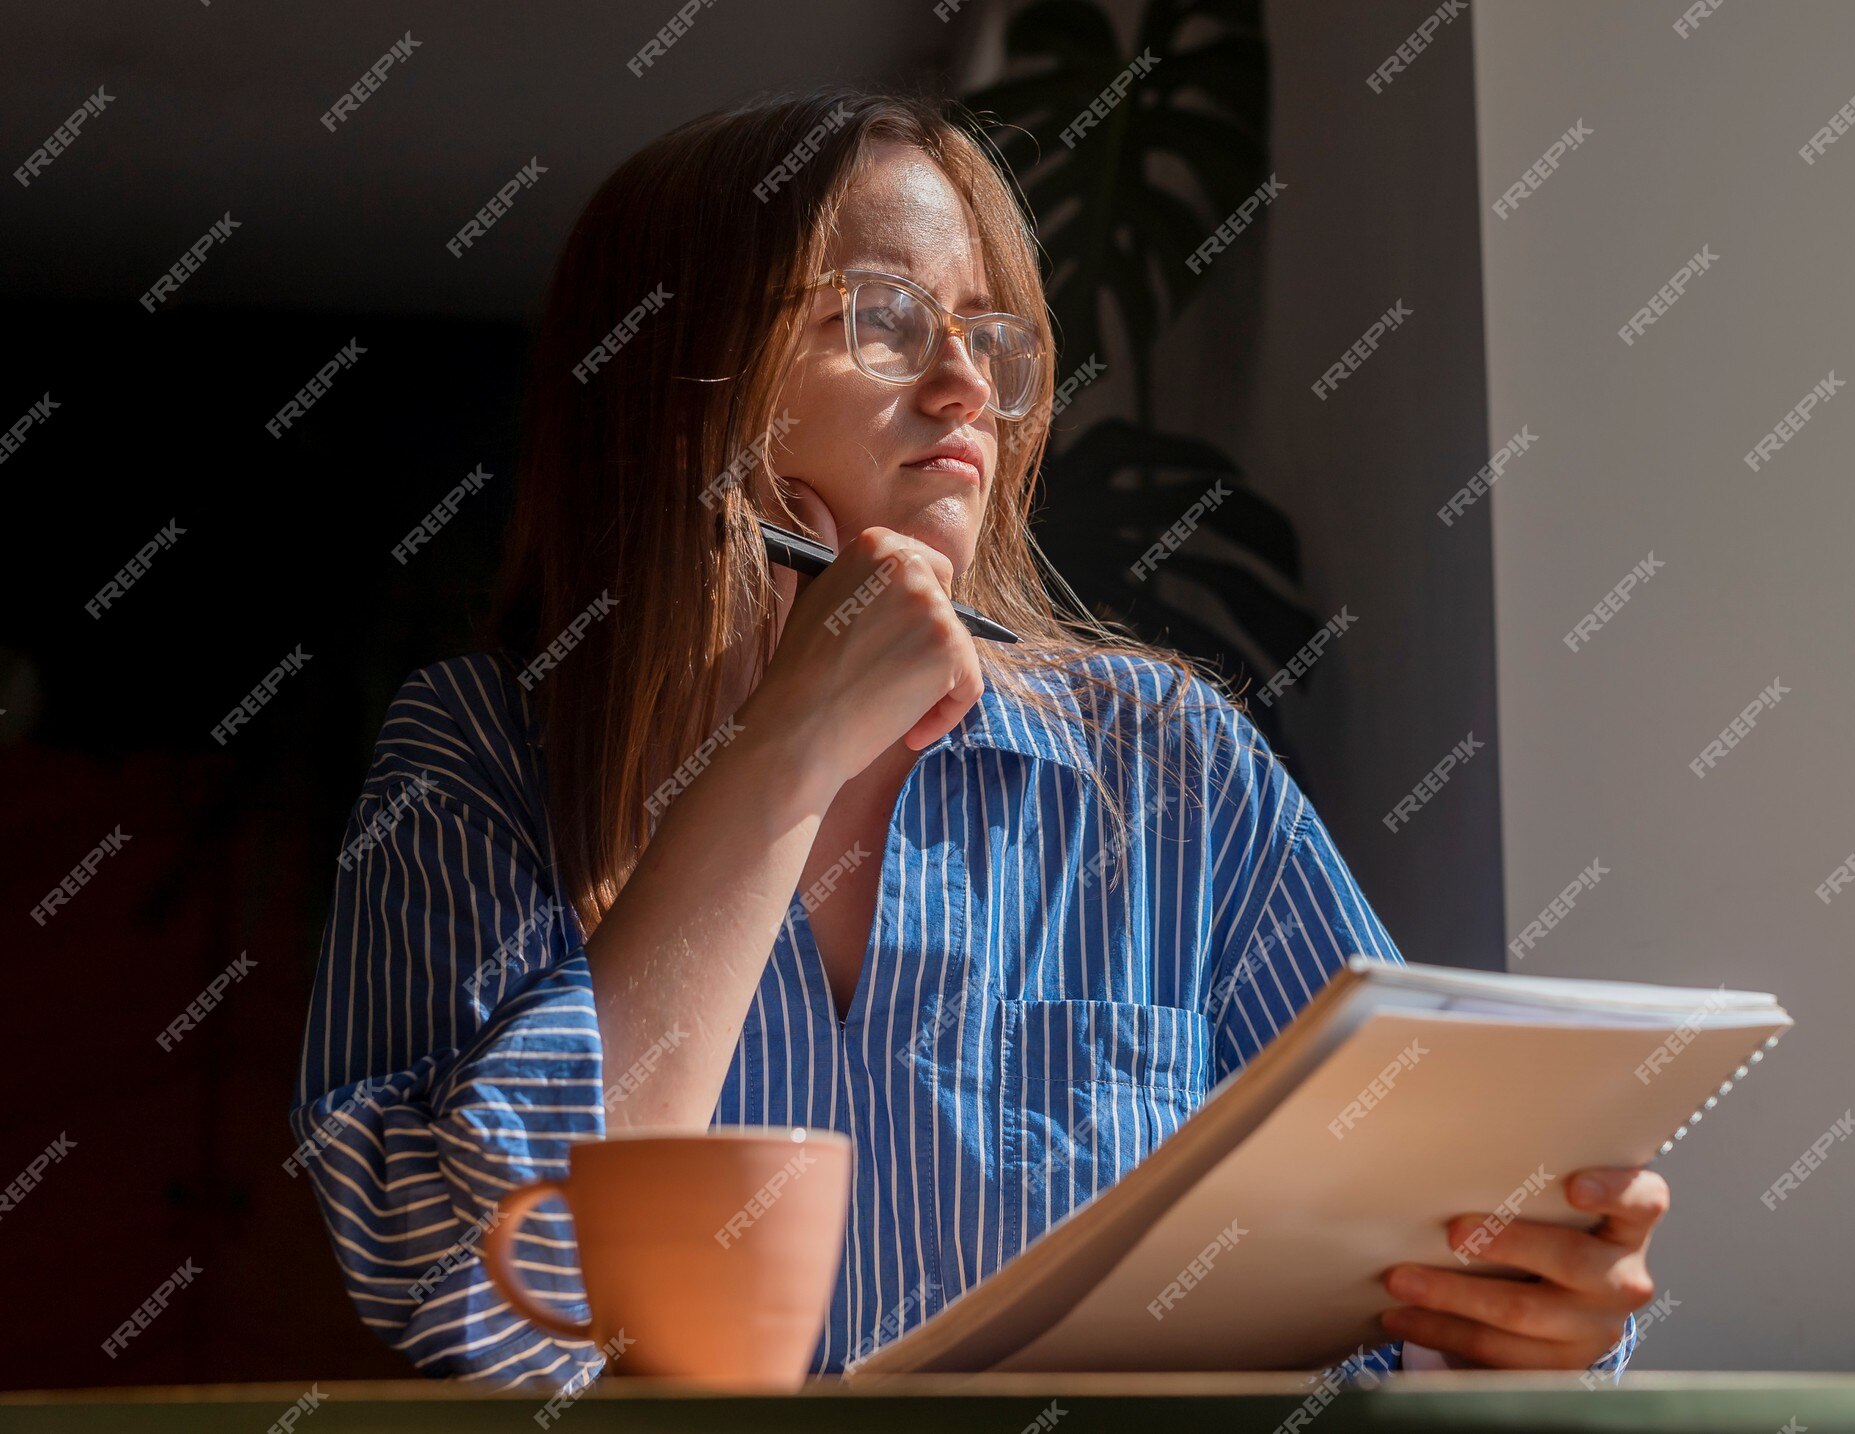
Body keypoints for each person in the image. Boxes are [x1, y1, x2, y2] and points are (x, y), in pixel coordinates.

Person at [289, 88, 1660, 1390]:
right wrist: (785, 750)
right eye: (881, 320)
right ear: (680, 377)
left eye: (992, 340)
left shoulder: (1167, 768)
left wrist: (1516, 1312)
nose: (965, 390)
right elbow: (467, 1295)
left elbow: (1404, 1269)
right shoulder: (481, 755)